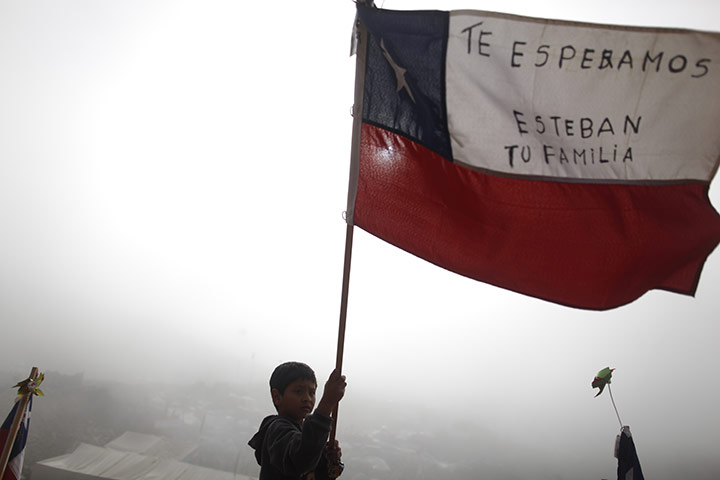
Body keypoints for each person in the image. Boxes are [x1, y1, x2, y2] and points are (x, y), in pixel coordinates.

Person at [249, 361, 347, 480]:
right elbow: (300, 460)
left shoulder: (304, 435)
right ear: (277, 397)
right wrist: (327, 404)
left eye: (312, 393)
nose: (307, 398)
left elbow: (314, 474)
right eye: (298, 391)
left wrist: (329, 460)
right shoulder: (277, 429)